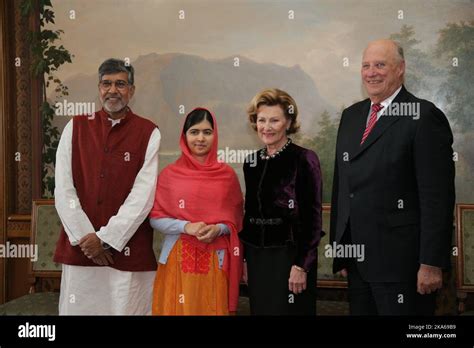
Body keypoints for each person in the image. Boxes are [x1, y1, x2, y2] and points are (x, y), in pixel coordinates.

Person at [330, 39, 455, 315]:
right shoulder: (351, 116)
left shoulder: (423, 116)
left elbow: (438, 198)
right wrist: (341, 251)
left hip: (404, 267)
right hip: (358, 262)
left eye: (380, 65)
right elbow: (342, 188)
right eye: (366, 65)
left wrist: (431, 262)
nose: (371, 72)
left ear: (401, 69)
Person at [53, 58, 161, 315]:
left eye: (121, 84)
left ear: (132, 90)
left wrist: (106, 239)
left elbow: (143, 197)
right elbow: (63, 189)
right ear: (99, 88)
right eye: (107, 84)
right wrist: (87, 239)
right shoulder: (75, 127)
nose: (113, 90)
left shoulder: (148, 132)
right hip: (82, 251)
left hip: (128, 251)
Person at [150, 107, 244, 315]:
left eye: (207, 132)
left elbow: (236, 221)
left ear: (215, 135)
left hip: (216, 261)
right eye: (194, 132)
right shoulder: (169, 175)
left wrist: (219, 229)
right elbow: (155, 218)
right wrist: (186, 226)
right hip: (177, 259)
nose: (200, 138)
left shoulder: (227, 176)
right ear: (184, 136)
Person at [239, 88, 323, 315]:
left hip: (290, 258)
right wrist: (245, 259)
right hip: (257, 258)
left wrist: (301, 266)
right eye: (261, 120)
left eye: (274, 120)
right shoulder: (251, 162)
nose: (266, 127)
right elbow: (249, 213)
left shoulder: (304, 159)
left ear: (288, 121)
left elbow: (313, 219)